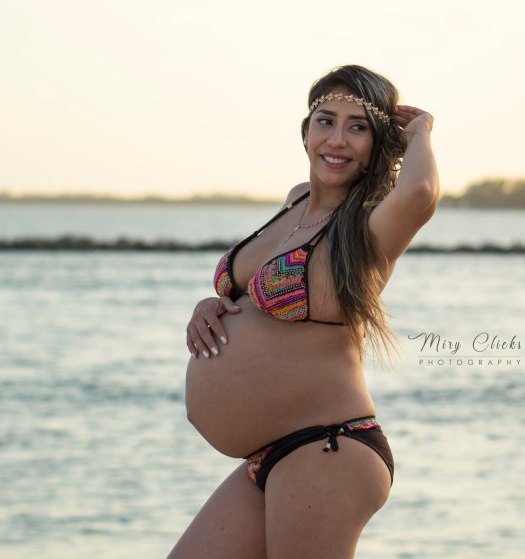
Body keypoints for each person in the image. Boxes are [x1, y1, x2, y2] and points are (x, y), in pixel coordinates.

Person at [169, 64, 438, 559]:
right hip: (268, 454)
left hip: (327, 447)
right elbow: (257, 294)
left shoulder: (371, 226)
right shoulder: (295, 202)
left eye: (358, 127)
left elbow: (419, 193)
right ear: (306, 129)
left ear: (378, 143)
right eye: (325, 120)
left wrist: (420, 132)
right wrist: (212, 305)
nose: (337, 139)